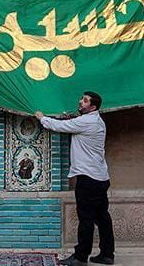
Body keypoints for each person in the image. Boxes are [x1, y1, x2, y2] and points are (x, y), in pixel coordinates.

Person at [35, 92, 114, 266]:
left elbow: (60, 126)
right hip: (100, 177)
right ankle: (107, 254)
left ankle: (80, 257)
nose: (80, 102)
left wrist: (42, 118)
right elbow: (74, 123)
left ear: (93, 107)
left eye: (85, 101)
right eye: (81, 98)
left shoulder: (86, 122)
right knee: (102, 217)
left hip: (88, 178)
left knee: (86, 218)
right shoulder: (97, 120)